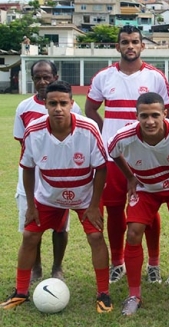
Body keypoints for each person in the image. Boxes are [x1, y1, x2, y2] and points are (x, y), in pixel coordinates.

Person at [1, 80, 113, 313]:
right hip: (48, 195)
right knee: (30, 236)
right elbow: (28, 168)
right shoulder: (34, 131)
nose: (58, 108)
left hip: (84, 196)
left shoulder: (89, 128)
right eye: (53, 103)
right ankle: (20, 292)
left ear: (72, 104)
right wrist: (31, 205)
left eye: (63, 103)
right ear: (45, 104)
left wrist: (93, 206)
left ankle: (103, 294)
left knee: (95, 238)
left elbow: (102, 168)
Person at [108, 92, 169, 315]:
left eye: (155, 115)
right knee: (133, 232)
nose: (150, 121)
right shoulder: (123, 136)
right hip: (145, 186)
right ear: (137, 116)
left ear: (165, 113)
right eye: (144, 116)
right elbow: (113, 153)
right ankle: (134, 295)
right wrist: (130, 177)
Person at [85, 25, 169, 284]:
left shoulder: (155, 77)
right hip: (114, 157)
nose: (130, 46)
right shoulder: (104, 76)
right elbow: (90, 108)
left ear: (142, 46)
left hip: (145, 156)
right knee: (114, 211)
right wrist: (108, 132)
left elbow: (165, 115)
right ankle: (117, 262)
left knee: (149, 209)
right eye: (125, 42)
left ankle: (154, 263)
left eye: (135, 41)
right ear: (118, 46)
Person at [13, 60, 82, 284]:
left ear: (55, 77)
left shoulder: (74, 107)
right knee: (32, 225)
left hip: (61, 177)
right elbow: (24, 145)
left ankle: (57, 266)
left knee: (60, 226)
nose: (42, 82)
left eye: (47, 77)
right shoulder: (23, 107)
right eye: (37, 78)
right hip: (32, 175)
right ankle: (36, 266)